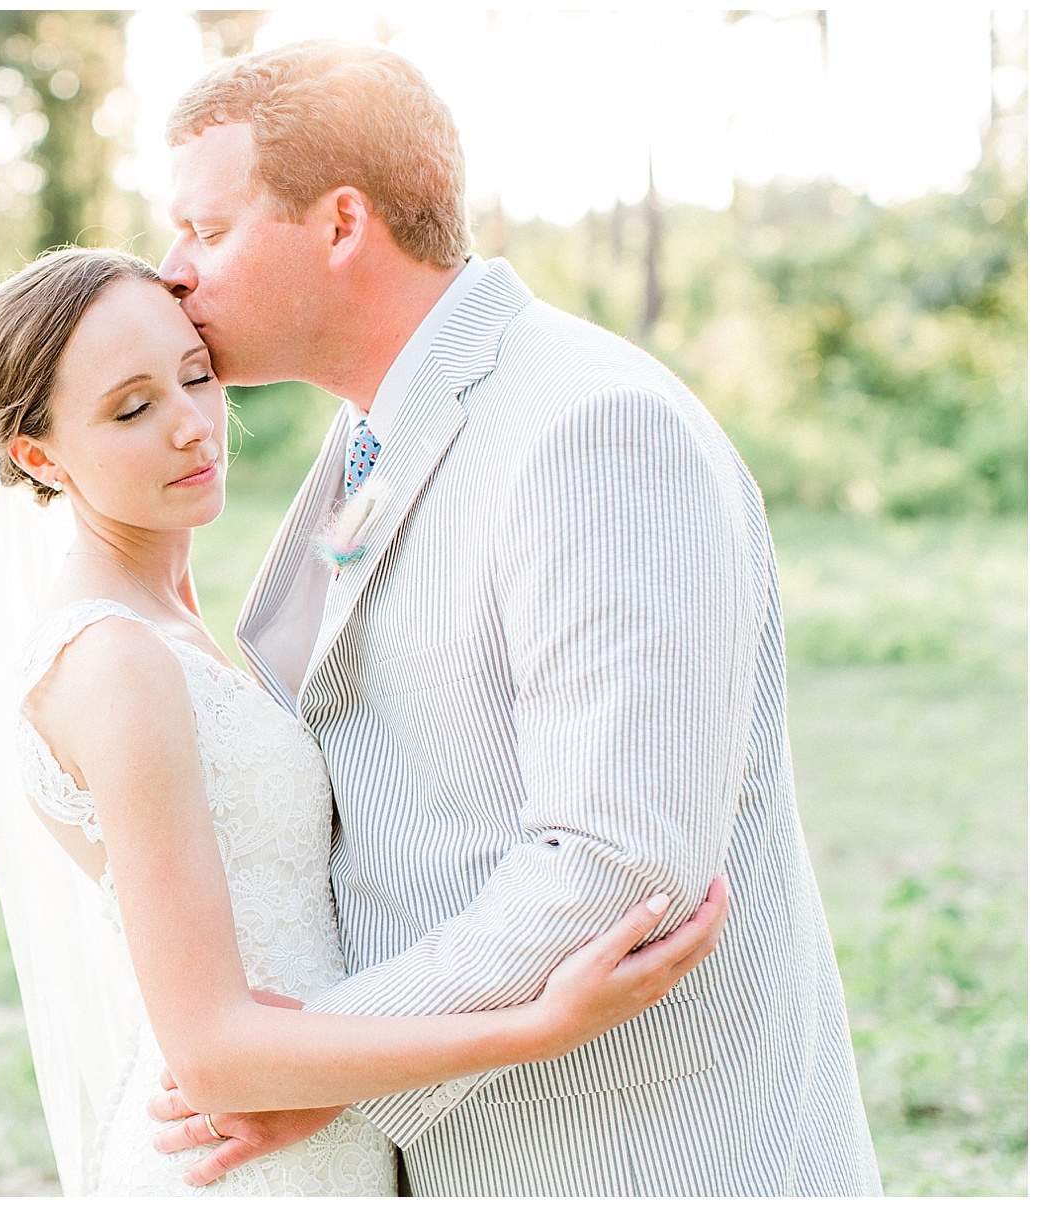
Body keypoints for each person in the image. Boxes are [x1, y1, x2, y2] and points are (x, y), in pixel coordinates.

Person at [138, 40, 881, 1196]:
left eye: (207, 229)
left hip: (624, 1149)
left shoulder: (591, 429)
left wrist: (327, 1056)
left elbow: (611, 859)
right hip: (469, 1145)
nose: (173, 270)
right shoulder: (382, 427)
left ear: (342, 224)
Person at [0, 245, 729, 1196]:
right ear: (38, 456)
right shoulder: (115, 662)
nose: (194, 428)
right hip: (249, 1160)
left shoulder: (170, 611)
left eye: (197, 377)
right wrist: (539, 1026)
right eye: (133, 407)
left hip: (322, 1126)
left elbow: (352, 596)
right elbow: (214, 1056)